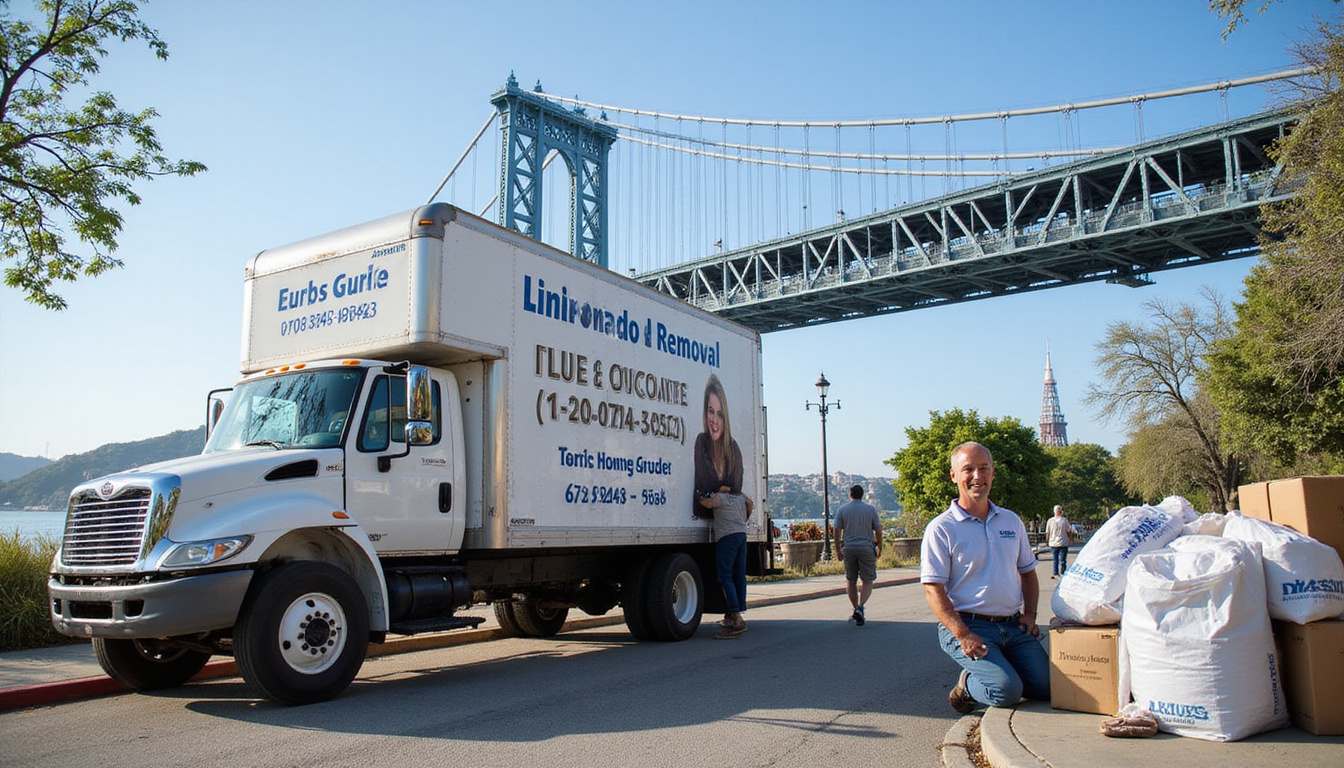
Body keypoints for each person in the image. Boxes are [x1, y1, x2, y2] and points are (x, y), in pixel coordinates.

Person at [920, 441, 1050, 714]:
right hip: (969, 626)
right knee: (1006, 690)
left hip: (1014, 626)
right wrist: (962, 634)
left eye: (984, 468)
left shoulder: (1011, 521)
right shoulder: (942, 528)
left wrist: (1030, 615)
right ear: (954, 475)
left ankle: (1002, 669)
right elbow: (933, 589)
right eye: (968, 469)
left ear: (993, 474)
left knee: (1047, 688)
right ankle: (968, 685)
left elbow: (1028, 572)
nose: (977, 476)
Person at [694, 374, 752, 639]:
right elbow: (747, 501)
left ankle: (735, 618)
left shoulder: (719, 497)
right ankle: (735, 613)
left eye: (719, 412)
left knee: (724, 576)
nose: (714, 419)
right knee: (738, 576)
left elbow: (704, 500)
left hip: (728, 537)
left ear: (725, 417)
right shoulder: (739, 499)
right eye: (709, 410)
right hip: (741, 533)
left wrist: (703, 497)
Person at [832, 484, 883, 626]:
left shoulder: (842, 510)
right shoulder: (870, 510)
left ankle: (855, 609)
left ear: (850, 494)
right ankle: (860, 607)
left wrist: (837, 549)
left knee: (851, 579)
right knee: (867, 580)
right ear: (862, 494)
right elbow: (878, 529)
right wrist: (879, 545)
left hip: (849, 548)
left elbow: (836, 530)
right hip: (866, 547)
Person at [1044, 504, 1074, 579]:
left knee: (1055, 559)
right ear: (1060, 511)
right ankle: (1063, 572)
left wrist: (1047, 540)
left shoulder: (1050, 521)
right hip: (1063, 542)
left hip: (1053, 543)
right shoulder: (1064, 520)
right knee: (1063, 559)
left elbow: (1047, 532)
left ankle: (1055, 573)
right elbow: (1069, 531)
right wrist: (1070, 539)